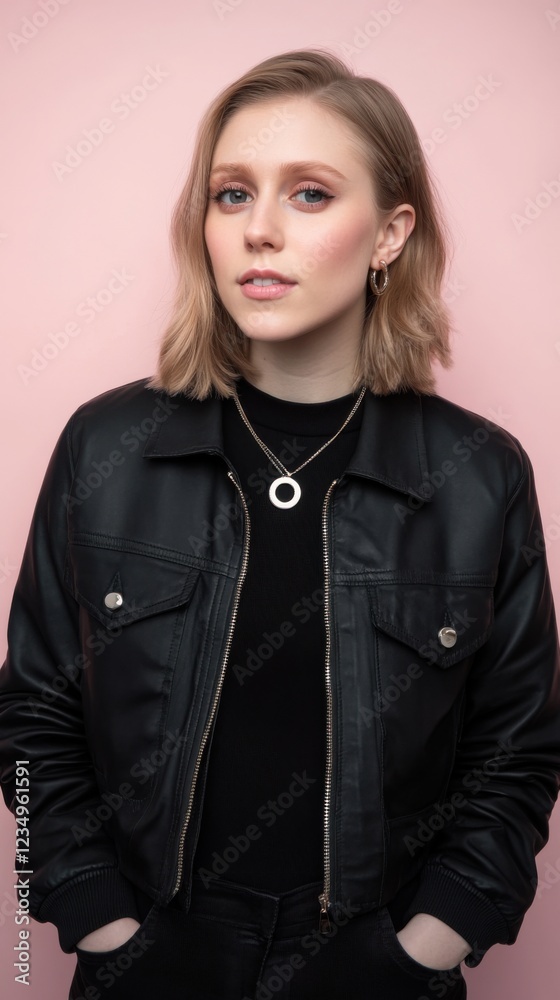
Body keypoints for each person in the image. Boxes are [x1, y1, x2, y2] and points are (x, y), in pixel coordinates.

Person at [0, 48, 559, 1000]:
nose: (259, 230)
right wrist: (99, 921)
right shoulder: (107, 446)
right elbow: (31, 720)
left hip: (376, 969)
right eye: (230, 194)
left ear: (389, 232)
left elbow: (517, 753)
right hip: (149, 962)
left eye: (308, 194)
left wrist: (427, 945)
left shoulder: (480, 475)